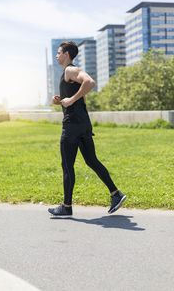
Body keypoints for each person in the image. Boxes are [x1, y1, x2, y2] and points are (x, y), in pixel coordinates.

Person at [48, 41, 126, 218]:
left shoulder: (70, 70)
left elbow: (90, 82)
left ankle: (66, 207)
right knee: (91, 161)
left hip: (72, 125)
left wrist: (71, 99)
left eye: (59, 52)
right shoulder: (68, 73)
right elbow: (79, 93)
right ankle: (116, 194)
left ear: (67, 54)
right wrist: (61, 100)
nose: (57, 55)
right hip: (83, 123)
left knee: (67, 166)